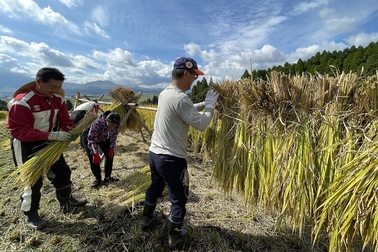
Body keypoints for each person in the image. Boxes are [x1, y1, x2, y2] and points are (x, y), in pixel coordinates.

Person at [141, 57, 219, 249]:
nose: (195, 80)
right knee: (179, 198)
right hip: (171, 159)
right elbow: (201, 124)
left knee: (156, 187)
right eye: (194, 76)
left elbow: (181, 110)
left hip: (154, 154)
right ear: (186, 73)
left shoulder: (165, 93)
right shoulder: (181, 98)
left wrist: (201, 104)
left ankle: (146, 220)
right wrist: (210, 106)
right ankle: (175, 237)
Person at [7, 67, 87, 230]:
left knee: (62, 171)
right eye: (52, 87)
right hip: (25, 144)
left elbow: (64, 119)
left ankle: (67, 200)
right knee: (32, 179)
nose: (56, 91)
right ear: (38, 82)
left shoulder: (57, 98)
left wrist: (70, 129)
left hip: (50, 141)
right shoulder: (22, 102)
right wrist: (52, 135)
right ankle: (31, 213)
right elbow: (19, 131)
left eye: (58, 87)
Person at [81, 110, 121, 188]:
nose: (112, 126)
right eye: (110, 123)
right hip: (89, 137)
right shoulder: (97, 124)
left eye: (114, 125)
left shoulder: (117, 126)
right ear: (106, 120)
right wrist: (95, 153)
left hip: (103, 138)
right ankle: (98, 179)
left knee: (110, 156)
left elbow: (113, 137)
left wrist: (111, 148)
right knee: (93, 159)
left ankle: (107, 177)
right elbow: (91, 139)